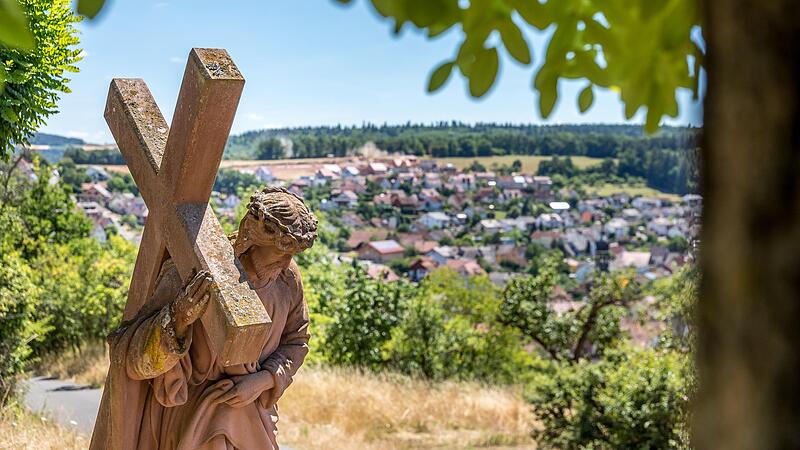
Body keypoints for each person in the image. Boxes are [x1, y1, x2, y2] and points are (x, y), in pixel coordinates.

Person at [90, 186, 318, 450]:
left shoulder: (288, 279)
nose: (287, 262)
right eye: (282, 252)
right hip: (189, 411)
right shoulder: (195, 268)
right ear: (255, 238)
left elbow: (297, 342)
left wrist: (263, 380)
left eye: (293, 254)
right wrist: (178, 319)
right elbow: (131, 355)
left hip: (250, 412)